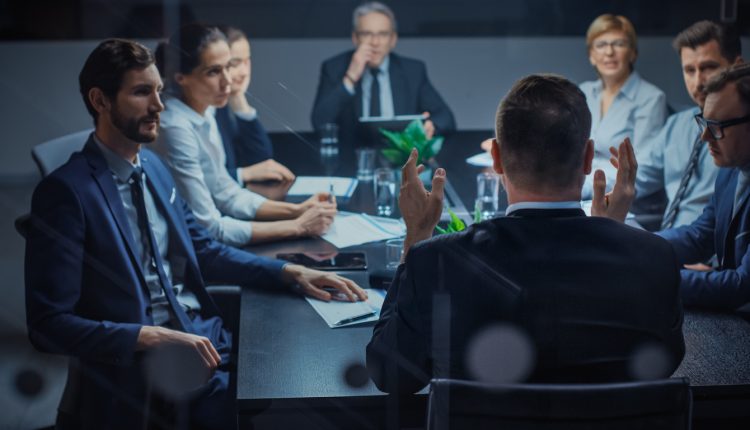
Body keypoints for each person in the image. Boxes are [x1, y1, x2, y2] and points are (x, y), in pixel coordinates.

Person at [24, 38, 366, 430]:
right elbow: (48, 325)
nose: (158, 106)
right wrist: (147, 337)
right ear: (100, 100)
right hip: (147, 371)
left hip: (203, 338)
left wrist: (291, 273)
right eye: (141, 93)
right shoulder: (65, 194)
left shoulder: (152, 166)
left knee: (303, 370)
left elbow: (202, 249)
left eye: (158, 91)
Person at [366, 74, 685, 394]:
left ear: (496, 159)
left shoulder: (434, 263)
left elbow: (390, 373)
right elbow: (663, 363)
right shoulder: (655, 259)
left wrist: (416, 236)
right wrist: (614, 235)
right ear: (588, 158)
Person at [153, 24, 336, 247]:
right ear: (181, 77)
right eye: (213, 71)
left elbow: (226, 192)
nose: (228, 80)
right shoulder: (174, 127)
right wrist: (298, 225)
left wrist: (297, 210)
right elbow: (210, 228)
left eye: (228, 66)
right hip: (184, 258)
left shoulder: (205, 109)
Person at [658, 63, 750, 311]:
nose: (704, 137)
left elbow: (742, 286)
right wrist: (636, 246)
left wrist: (653, 278)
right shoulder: (730, 171)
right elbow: (701, 236)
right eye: (704, 123)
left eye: (717, 127)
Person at [636, 21, 742, 229]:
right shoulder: (676, 125)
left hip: (711, 254)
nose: (698, 81)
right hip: (675, 243)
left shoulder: (742, 133)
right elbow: (639, 176)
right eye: (689, 70)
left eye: (709, 67)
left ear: (736, 66)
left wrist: (713, 259)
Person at [311, 1, 455, 144]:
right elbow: (319, 122)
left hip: (401, 160)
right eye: (367, 34)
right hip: (352, 161)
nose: (375, 42)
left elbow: (446, 117)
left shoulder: (413, 71)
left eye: (383, 34)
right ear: (355, 38)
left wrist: (432, 126)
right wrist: (350, 78)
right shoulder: (334, 68)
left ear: (393, 39)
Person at [578, 14, 667, 199]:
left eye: (619, 44)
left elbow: (645, 172)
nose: (609, 52)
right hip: (578, 196)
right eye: (601, 45)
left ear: (633, 53)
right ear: (591, 56)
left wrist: (584, 187)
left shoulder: (651, 98)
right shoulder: (583, 93)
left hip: (622, 203)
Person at [215, 25, 296, 184]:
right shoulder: (207, 110)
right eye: (235, 63)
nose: (245, 72)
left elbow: (261, 159)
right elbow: (207, 181)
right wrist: (245, 174)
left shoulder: (223, 107)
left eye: (247, 61)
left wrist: (239, 98)